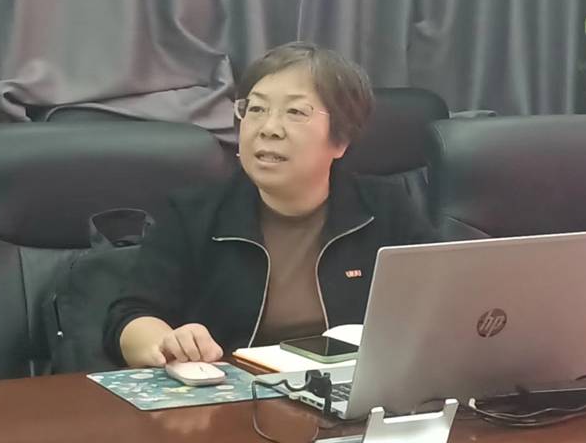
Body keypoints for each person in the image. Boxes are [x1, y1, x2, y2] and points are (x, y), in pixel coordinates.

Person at [103, 41, 439, 368]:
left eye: (295, 112)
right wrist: (167, 342)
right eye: (256, 109)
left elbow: (440, 303)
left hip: (349, 391)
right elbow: (130, 316)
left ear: (341, 140)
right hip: (232, 394)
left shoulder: (384, 208)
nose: (269, 129)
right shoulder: (194, 215)